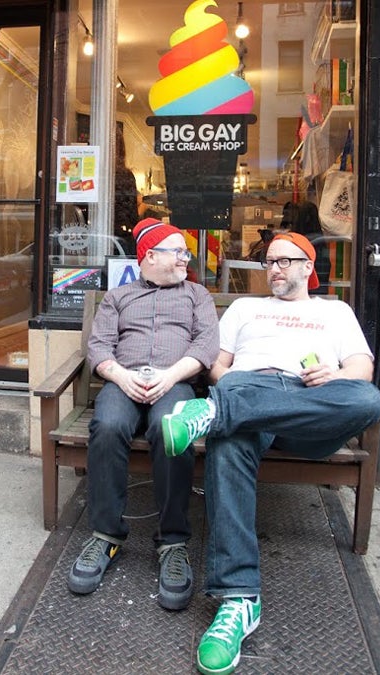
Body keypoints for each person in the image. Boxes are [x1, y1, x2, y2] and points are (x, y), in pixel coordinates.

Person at [160, 231, 380, 674]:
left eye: (285, 261)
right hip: (250, 391)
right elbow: (216, 364)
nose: (275, 269)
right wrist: (239, 385)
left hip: (309, 405)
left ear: (308, 266)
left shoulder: (334, 311)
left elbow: (362, 370)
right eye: (269, 262)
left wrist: (335, 372)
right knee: (230, 441)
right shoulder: (246, 308)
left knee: (367, 400)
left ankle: (211, 414)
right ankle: (238, 601)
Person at [67, 217, 220, 611]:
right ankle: (106, 535)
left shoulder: (197, 295)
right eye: (178, 252)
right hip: (123, 381)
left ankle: (172, 541)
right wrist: (120, 375)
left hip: (176, 382)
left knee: (172, 430)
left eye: (185, 252)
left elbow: (206, 345)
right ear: (150, 256)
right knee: (109, 425)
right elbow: (99, 346)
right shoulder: (118, 298)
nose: (186, 258)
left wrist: (170, 376)